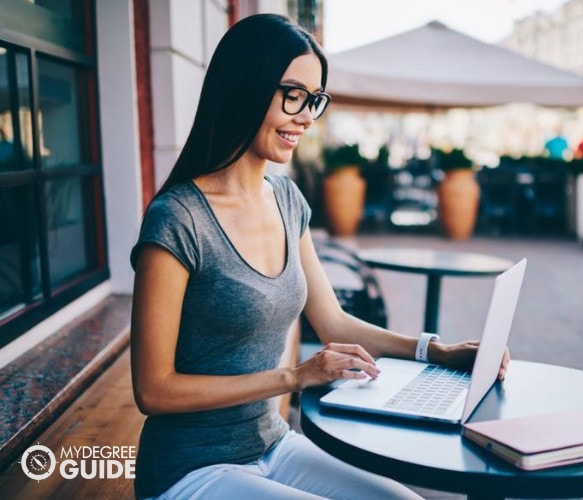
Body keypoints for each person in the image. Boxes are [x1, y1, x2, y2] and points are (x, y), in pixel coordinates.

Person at [130, 14, 508, 500]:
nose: (307, 116)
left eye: (314, 100)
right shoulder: (177, 219)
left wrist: (436, 351)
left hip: (272, 445)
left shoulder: (287, 200)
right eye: (293, 95)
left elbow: (333, 322)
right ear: (245, 88)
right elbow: (153, 390)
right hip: (192, 470)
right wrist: (295, 376)